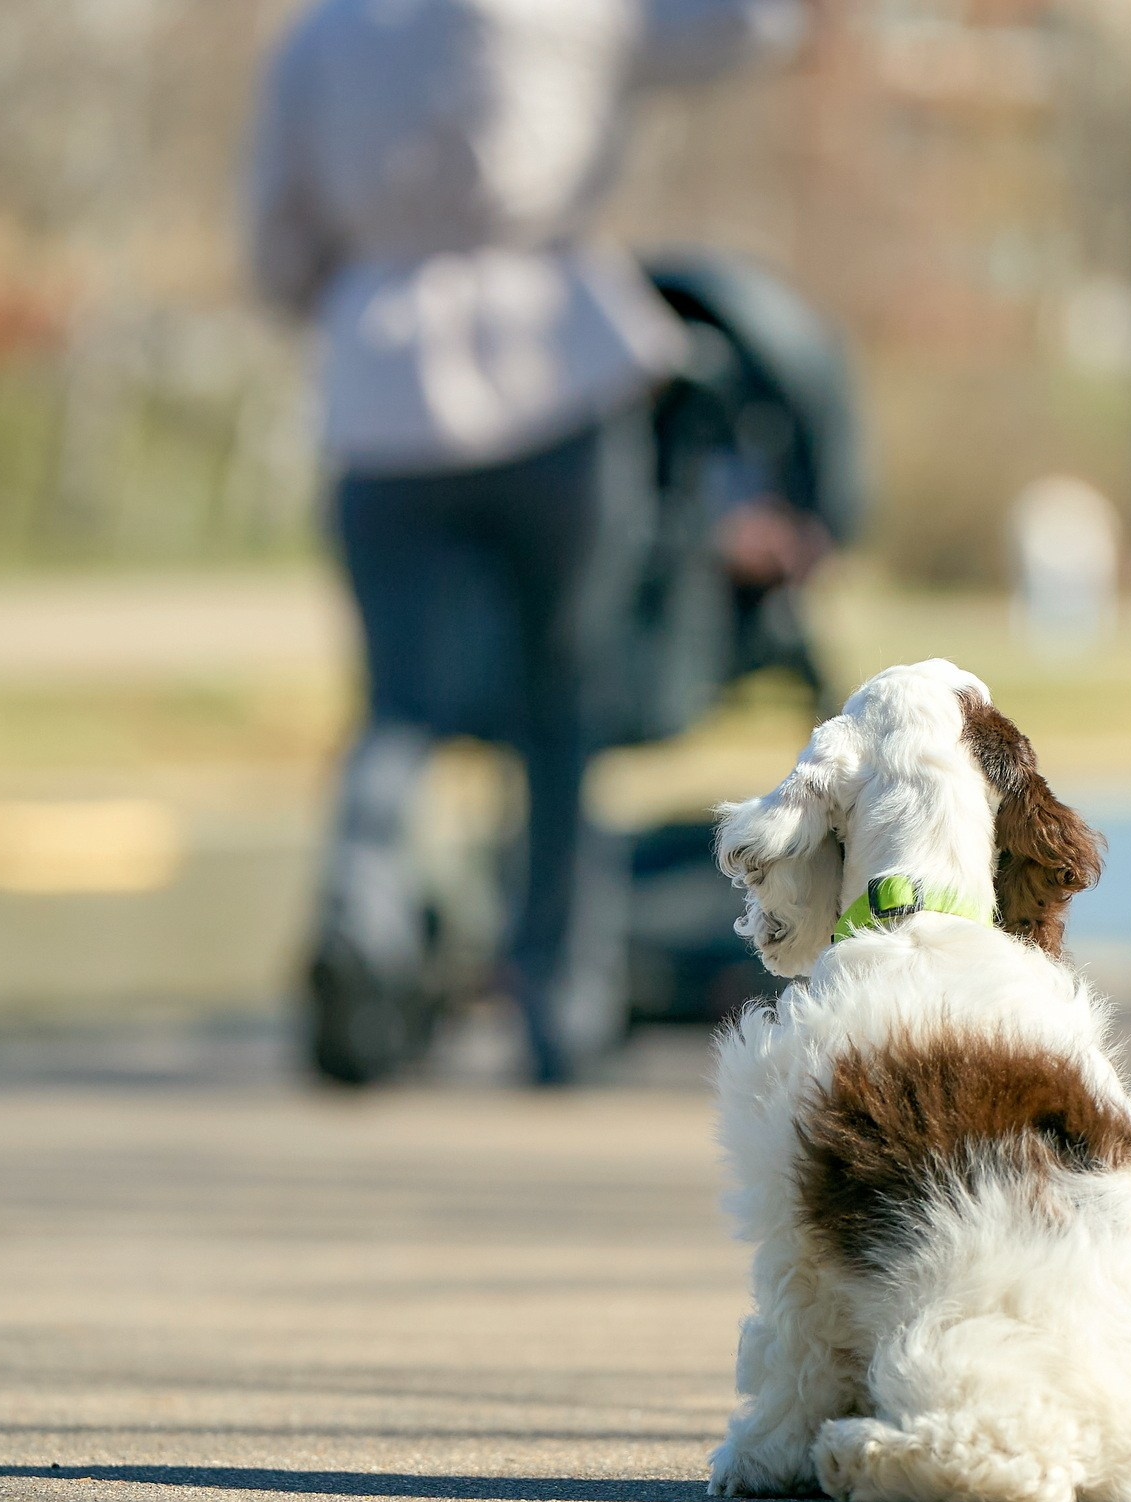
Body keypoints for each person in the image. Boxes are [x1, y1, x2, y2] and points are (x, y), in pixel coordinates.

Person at [245, 0, 807, 1085]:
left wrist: (366, 289)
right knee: (563, 704)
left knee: (399, 704)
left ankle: (363, 939)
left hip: (381, 384)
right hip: (557, 368)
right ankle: (558, 998)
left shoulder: (320, 39)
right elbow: (742, 29)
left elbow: (275, 241)